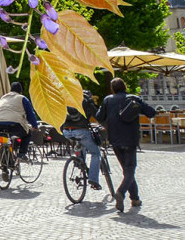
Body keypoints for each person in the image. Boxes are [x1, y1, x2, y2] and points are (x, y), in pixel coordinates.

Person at [95, 78, 156, 212]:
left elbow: (99, 116)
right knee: (130, 169)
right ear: (124, 86)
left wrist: (109, 124)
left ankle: (135, 198)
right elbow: (151, 112)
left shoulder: (107, 100)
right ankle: (121, 192)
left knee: (127, 169)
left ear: (113, 88)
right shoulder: (133, 98)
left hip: (115, 139)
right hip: (130, 139)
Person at [0, 82, 39, 180]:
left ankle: (5, 167)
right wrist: (35, 125)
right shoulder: (22, 98)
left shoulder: (3, 98)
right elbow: (30, 114)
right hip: (14, 123)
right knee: (27, 134)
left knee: (4, 142)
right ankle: (22, 154)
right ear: (20, 91)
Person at [61, 90, 101, 190]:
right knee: (95, 153)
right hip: (81, 131)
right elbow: (97, 115)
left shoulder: (67, 98)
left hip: (66, 131)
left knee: (80, 142)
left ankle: (79, 162)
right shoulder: (87, 100)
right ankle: (93, 179)